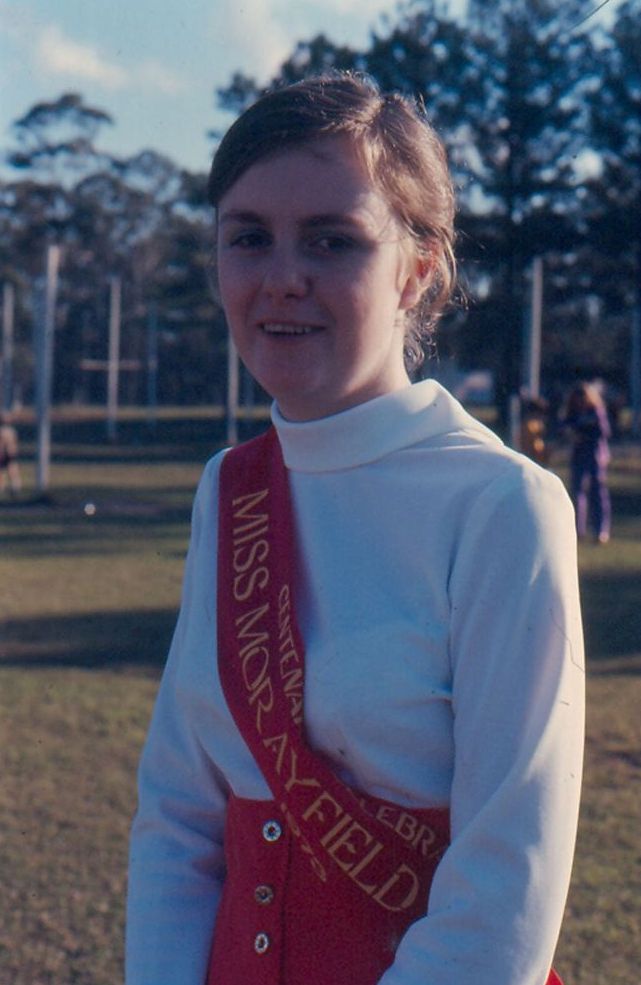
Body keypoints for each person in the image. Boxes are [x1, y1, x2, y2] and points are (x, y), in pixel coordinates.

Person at [126, 73, 584, 985]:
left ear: (419, 267)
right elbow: (180, 816)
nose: (281, 278)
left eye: (332, 241)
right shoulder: (230, 487)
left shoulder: (502, 506)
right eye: (247, 237)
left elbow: (505, 887)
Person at [562, 381, 612, 544]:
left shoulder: (596, 411)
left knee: (597, 491)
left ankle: (601, 530)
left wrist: (583, 434)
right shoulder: (573, 411)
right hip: (578, 455)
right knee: (577, 492)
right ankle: (578, 529)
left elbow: (604, 432)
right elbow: (563, 427)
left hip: (595, 455)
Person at [0, 412, 21, 497]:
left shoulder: (7, 431)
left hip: (6, 453)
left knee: (10, 471)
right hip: (7, 453)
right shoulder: (10, 430)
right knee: (10, 471)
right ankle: (14, 488)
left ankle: (14, 488)